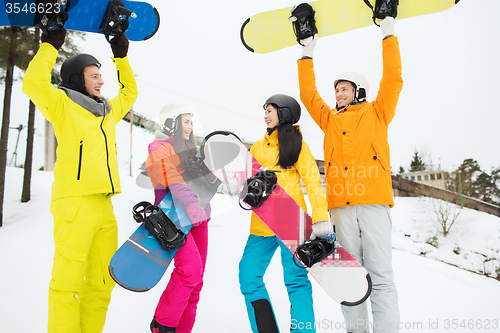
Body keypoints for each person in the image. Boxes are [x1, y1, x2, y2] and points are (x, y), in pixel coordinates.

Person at [22, 27, 137, 332]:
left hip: (104, 207)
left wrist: (121, 57)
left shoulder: (107, 112)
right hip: (74, 204)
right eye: (94, 74)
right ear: (76, 78)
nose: (101, 80)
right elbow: (33, 82)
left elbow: (130, 94)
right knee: (67, 284)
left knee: (102, 283)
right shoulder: (62, 104)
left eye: (101, 74)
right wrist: (50, 45)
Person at [297, 16, 403, 333]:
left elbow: (394, 79)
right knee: (350, 279)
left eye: (344, 89)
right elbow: (308, 94)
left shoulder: (378, 111)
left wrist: (388, 32)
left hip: (373, 205)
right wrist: (306, 53)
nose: (338, 94)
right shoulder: (330, 120)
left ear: (359, 92)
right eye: (336, 90)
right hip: (340, 210)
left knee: (381, 276)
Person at [238, 94, 335, 333]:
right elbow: (246, 182)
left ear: (283, 112)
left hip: (291, 221)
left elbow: (312, 181)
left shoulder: (297, 143)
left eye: (269, 110)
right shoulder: (258, 147)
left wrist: (320, 217)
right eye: (265, 111)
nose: (265, 115)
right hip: (261, 223)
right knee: (248, 276)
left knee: (296, 281)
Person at [145, 104, 210, 333]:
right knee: (190, 270)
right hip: (171, 218)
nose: (190, 127)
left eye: (192, 122)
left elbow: (207, 184)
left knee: (197, 280)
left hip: (198, 220)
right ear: (172, 123)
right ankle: (163, 325)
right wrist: (191, 202)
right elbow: (171, 177)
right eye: (186, 122)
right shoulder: (159, 148)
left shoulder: (192, 153)